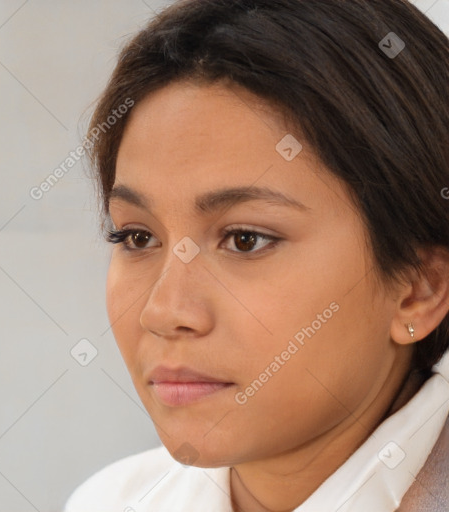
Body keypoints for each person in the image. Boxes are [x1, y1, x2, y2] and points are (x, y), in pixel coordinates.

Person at [65, 0, 449, 510]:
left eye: (245, 239)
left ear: (418, 290)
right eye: (137, 237)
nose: (163, 312)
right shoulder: (113, 501)